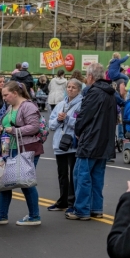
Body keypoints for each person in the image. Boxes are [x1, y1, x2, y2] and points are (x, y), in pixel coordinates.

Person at [0, 82, 44, 226]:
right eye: (3, 95)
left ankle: (34, 216)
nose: (4, 98)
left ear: (15, 93)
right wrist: (0, 128)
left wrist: (15, 131)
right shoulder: (11, 107)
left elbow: (34, 127)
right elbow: (5, 123)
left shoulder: (28, 106)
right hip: (9, 148)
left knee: (26, 182)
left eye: (6, 95)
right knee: (5, 182)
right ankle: (2, 215)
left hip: (27, 148)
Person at [73, 62, 118, 220]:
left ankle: (82, 209)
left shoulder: (93, 92)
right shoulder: (110, 93)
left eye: (87, 75)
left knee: (82, 175)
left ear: (91, 77)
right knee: (97, 176)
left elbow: (84, 116)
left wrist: (78, 131)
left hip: (91, 139)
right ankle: (96, 208)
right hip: (104, 140)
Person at [48, 80, 82, 217]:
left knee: (73, 175)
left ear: (79, 90)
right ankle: (62, 200)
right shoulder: (60, 104)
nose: (70, 89)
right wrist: (59, 120)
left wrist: (67, 119)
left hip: (72, 145)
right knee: (62, 174)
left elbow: (81, 124)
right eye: (69, 87)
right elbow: (51, 124)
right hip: (59, 144)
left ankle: (72, 202)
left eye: (74, 87)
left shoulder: (81, 104)